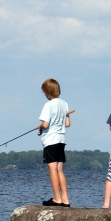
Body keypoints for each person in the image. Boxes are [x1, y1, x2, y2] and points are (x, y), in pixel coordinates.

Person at [38, 78, 71, 207]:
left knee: (52, 169)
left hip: (50, 140)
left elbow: (45, 123)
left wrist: (41, 127)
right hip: (61, 139)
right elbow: (67, 124)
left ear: (48, 92)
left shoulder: (48, 105)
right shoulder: (64, 104)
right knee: (59, 170)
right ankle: (65, 199)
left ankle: (57, 198)